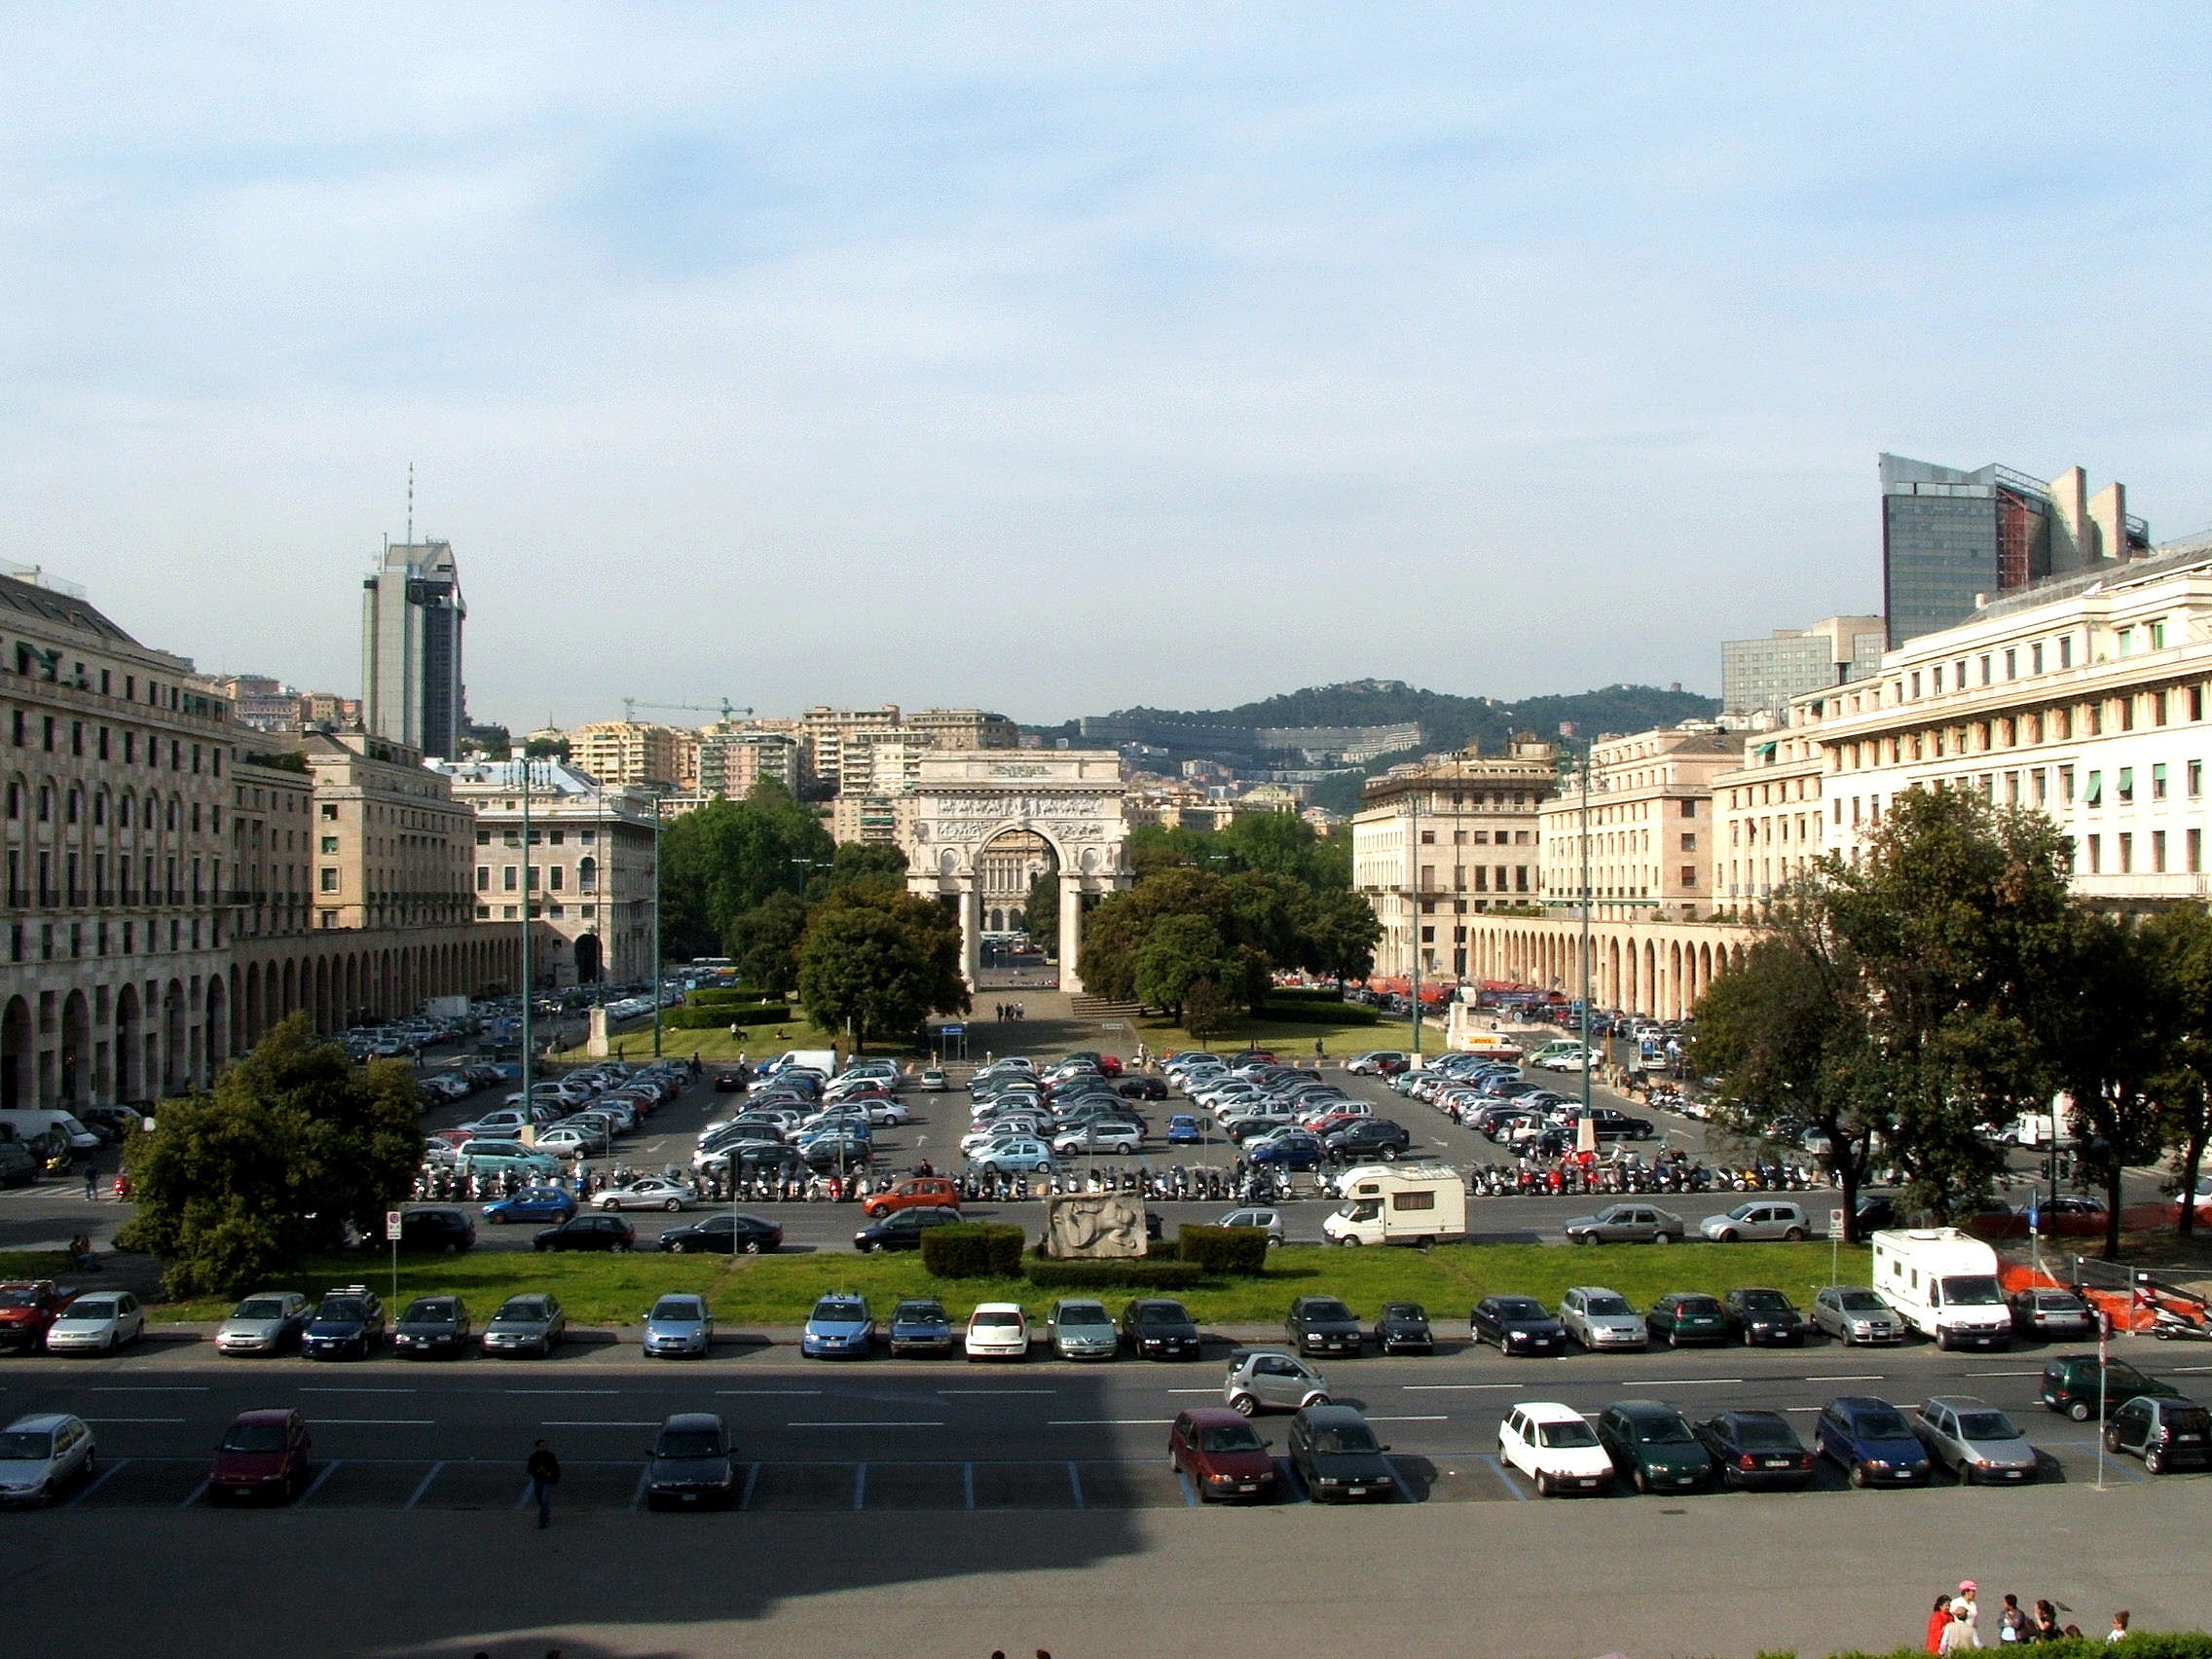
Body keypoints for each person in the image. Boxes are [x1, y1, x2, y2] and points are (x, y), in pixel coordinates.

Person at [527, 1438, 560, 1529]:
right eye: (542, 1446)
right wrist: (537, 1470)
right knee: (540, 1500)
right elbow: (530, 1469)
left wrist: (550, 1473)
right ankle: (546, 1512)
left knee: (544, 1500)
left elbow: (555, 1467)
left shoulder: (550, 1456)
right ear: (537, 1447)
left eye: (545, 1446)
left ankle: (543, 1521)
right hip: (538, 1480)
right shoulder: (533, 1457)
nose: (544, 1447)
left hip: (547, 1481)